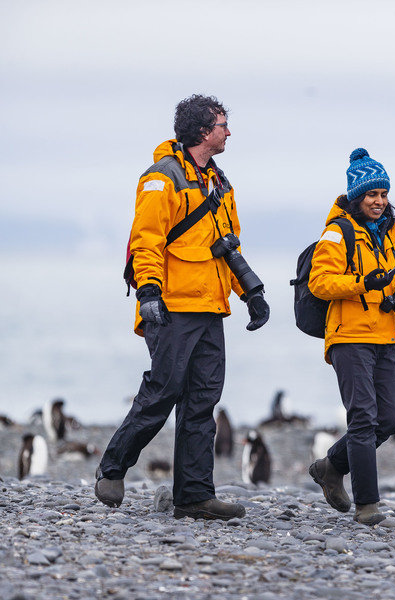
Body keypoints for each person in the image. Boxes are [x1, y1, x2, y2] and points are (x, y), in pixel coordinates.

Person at [94, 94, 270, 520]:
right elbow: (146, 240)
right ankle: (112, 468)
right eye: (223, 125)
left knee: (202, 401)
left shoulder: (220, 183)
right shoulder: (161, 178)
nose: (229, 132)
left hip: (211, 306)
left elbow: (228, 247)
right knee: (163, 390)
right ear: (201, 131)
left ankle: (194, 496)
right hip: (171, 305)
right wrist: (149, 291)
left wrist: (250, 293)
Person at [307, 148, 395, 525]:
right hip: (349, 336)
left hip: (387, 336)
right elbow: (320, 282)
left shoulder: (391, 233)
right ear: (357, 197)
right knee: (362, 419)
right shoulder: (337, 233)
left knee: (388, 419)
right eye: (372, 195)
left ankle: (331, 466)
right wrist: (362, 283)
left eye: (384, 195)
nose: (379, 202)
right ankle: (368, 506)